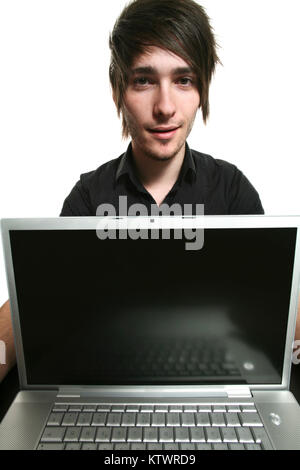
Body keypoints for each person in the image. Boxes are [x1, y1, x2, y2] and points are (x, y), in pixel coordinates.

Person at [0, 0, 299, 383]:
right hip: (110, 385)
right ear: (118, 91)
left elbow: (273, 312)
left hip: (212, 384)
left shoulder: (232, 191)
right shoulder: (88, 198)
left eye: (183, 80)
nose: (165, 107)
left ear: (203, 89)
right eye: (143, 80)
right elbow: (42, 302)